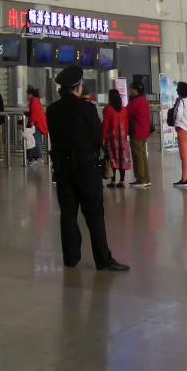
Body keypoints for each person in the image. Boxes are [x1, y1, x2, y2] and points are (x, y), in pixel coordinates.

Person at [45, 65, 129, 272]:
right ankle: (103, 259)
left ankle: (71, 257)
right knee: (94, 214)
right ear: (77, 87)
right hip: (86, 168)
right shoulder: (87, 108)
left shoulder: (52, 110)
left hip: (62, 168)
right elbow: (97, 138)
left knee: (68, 213)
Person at [101, 89, 131, 188]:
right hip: (122, 138)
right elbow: (126, 125)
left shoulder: (108, 109)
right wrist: (125, 135)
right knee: (122, 158)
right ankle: (122, 181)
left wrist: (103, 138)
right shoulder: (124, 110)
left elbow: (105, 124)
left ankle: (113, 181)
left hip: (112, 138)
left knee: (112, 158)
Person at [125, 82, 152, 188]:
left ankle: (141, 179)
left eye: (132, 88)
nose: (130, 90)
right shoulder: (144, 100)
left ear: (136, 90)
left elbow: (127, 112)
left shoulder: (135, 102)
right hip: (144, 131)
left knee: (138, 156)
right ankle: (146, 178)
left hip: (136, 131)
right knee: (143, 155)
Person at [27, 86, 49, 165]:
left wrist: (31, 122)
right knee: (36, 140)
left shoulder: (34, 101)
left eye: (27, 94)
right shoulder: (35, 100)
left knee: (36, 140)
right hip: (38, 123)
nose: (26, 96)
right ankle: (36, 156)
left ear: (30, 94)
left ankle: (39, 157)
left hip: (37, 124)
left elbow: (34, 113)